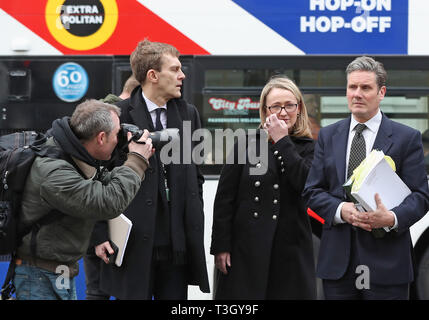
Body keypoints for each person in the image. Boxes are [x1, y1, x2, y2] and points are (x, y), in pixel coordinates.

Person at [303, 56, 429, 300]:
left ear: (381, 92)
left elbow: (421, 196)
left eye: (365, 87)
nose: (357, 94)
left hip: (388, 266)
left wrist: (391, 217)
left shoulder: (407, 138)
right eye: (352, 87)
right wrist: (341, 210)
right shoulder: (328, 136)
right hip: (338, 266)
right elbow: (312, 191)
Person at [93, 39, 210, 300]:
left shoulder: (189, 113)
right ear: (153, 75)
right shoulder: (117, 115)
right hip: (134, 243)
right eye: (175, 69)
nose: (183, 75)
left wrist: (194, 216)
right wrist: (99, 234)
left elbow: (196, 175)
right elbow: (96, 178)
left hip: (177, 245)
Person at [12, 99, 153, 300]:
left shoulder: (74, 156)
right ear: (101, 138)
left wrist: (126, 155)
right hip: (39, 277)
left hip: (58, 271)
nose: (120, 138)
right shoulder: (55, 172)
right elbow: (107, 202)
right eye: (117, 134)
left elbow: (105, 182)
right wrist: (137, 160)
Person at [210, 76, 316, 299]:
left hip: (291, 249)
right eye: (276, 106)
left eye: (289, 105)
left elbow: (306, 184)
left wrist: (282, 141)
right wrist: (221, 246)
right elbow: (224, 200)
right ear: (265, 110)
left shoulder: (310, 147)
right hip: (246, 248)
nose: (283, 112)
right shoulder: (247, 143)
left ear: (299, 108)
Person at [83, 74, 140, 300]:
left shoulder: (108, 118)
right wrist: (97, 236)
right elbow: (90, 183)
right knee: (98, 293)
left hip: (114, 230)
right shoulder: (108, 122)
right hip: (102, 230)